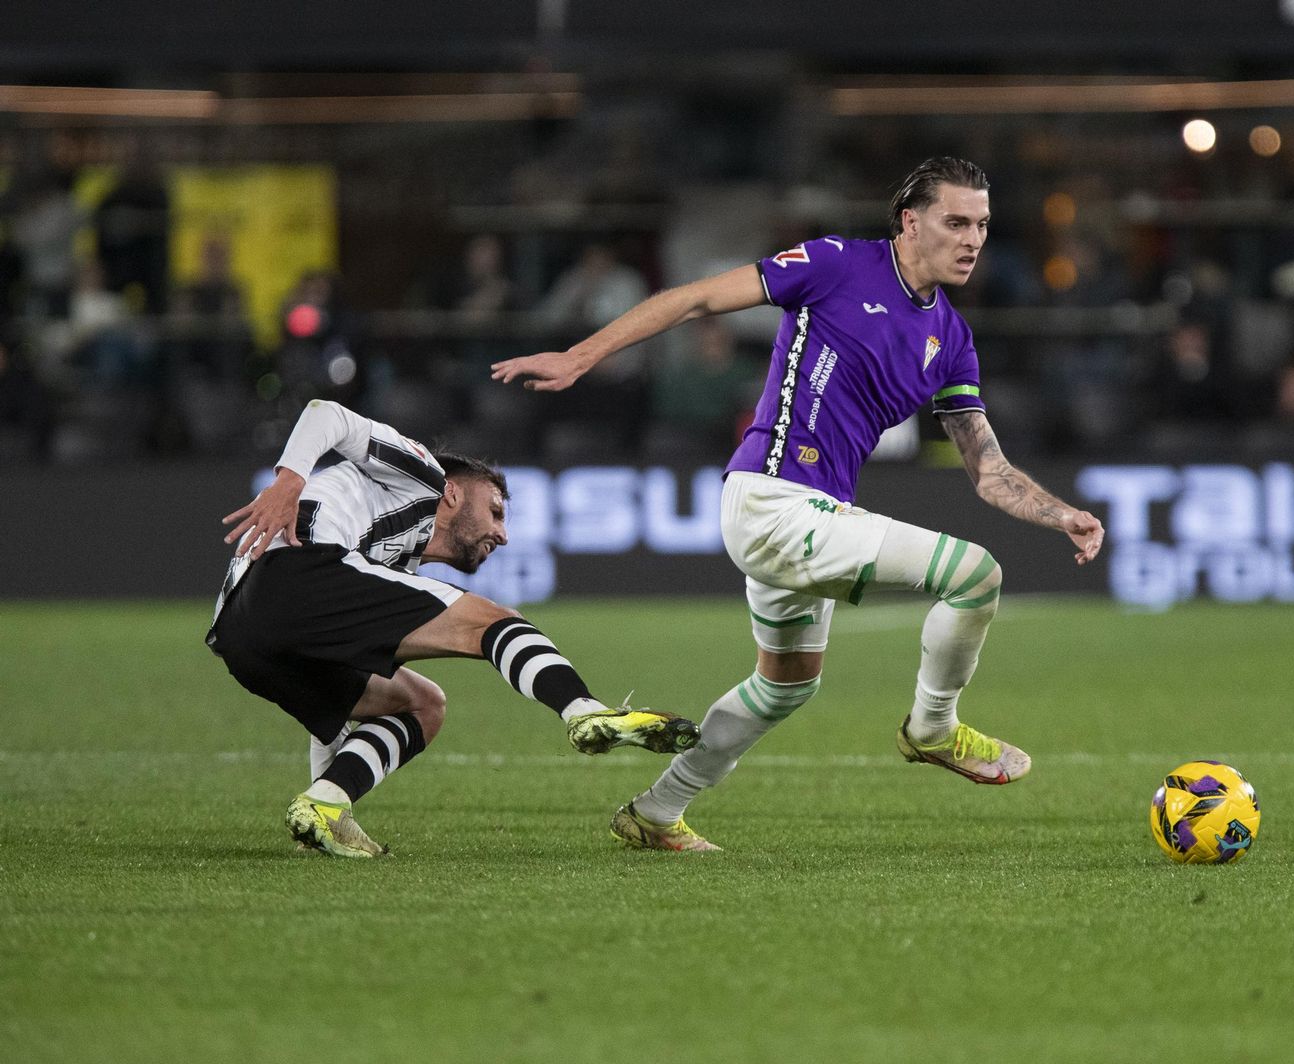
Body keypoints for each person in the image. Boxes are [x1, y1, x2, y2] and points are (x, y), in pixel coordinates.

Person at [492, 157, 1105, 852]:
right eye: (956, 221)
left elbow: (987, 468)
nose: (972, 239)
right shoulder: (835, 262)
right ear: (910, 220)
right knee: (975, 574)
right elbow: (695, 299)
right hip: (772, 501)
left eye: (983, 225)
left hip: (812, 517)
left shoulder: (953, 341)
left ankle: (657, 813)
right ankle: (932, 728)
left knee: (785, 686)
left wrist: (1061, 514)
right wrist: (581, 355)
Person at [207, 398, 700, 859]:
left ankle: (325, 806)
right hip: (299, 573)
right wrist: (289, 479)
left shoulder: (388, 564)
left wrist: (324, 801)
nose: (502, 534)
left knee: (422, 704)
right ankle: (585, 712)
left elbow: (334, 719)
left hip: (240, 634)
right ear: (453, 492)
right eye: (496, 511)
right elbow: (325, 413)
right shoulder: (421, 474)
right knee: (495, 622)